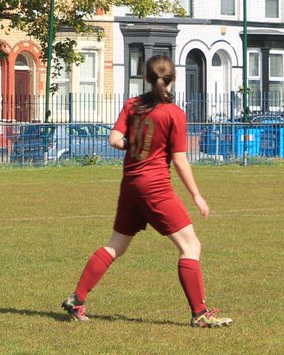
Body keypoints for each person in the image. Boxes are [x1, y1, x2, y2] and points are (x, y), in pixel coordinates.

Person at [61, 54, 232, 328]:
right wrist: (197, 196)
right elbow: (179, 159)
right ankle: (200, 313)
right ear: (174, 79)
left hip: (130, 185)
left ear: (145, 78)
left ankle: (77, 298)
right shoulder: (174, 113)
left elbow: (114, 139)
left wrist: (133, 143)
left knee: (116, 245)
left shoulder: (133, 105)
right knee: (191, 246)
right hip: (155, 188)